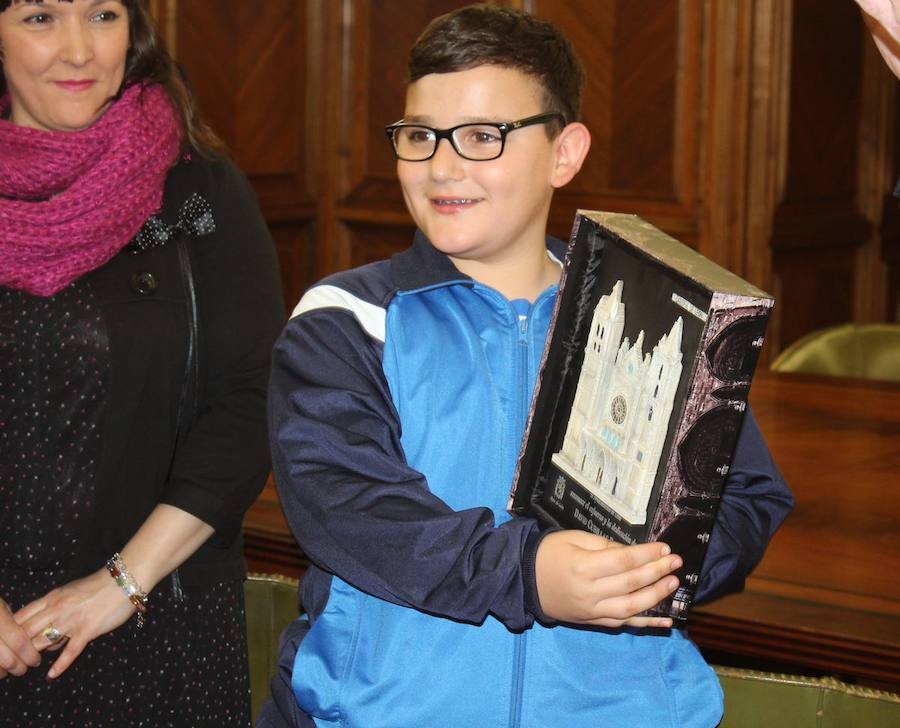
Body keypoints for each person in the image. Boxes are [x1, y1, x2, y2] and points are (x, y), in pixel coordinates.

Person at [265, 5, 793, 727]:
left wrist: (652, 570)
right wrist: (531, 574)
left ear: (564, 153)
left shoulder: (653, 315)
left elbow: (746, 496)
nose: (442, 166)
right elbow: (353, 511)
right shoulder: (348, 318)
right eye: (420, 135)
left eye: (484, 136)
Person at [0, 1, 283, 725]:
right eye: (38, 17)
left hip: (158, 617)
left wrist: (121, 584)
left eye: (101, 14)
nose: (78, 51)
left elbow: (250, 398)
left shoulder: (196, 195)